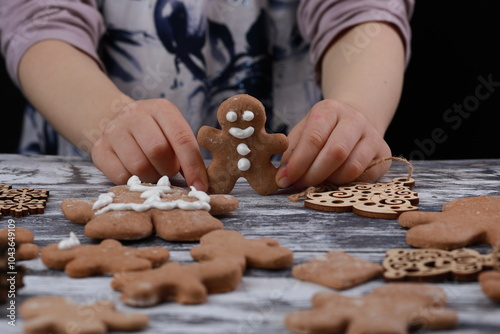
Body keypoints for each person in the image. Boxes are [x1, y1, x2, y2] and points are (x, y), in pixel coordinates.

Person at [0, 0, 414, 192]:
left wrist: (357, 108)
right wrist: (105, 118)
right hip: (94, 161)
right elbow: (40, 21)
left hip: (303, 185)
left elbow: (362, 11)